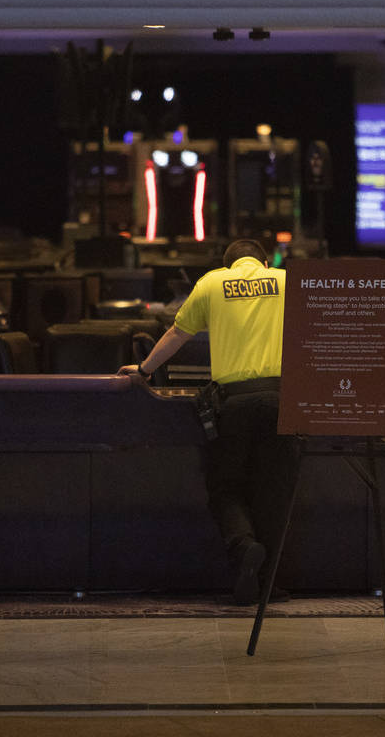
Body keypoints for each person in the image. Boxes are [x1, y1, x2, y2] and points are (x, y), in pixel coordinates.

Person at [118, 239, 298, 605]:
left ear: (227, 263)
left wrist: (144, 369)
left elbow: (177, 333)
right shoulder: (285, 281)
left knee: (226, 486)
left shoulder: (213, 283)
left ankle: (244, 545)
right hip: (282, 399)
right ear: (264, 262)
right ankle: (267, 584)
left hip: (234, 401)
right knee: (274, 492)